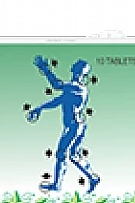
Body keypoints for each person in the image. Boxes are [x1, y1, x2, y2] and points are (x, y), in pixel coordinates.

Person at [28, 56, 100, 194]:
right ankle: (92, 178)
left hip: (74, 126)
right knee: (73, 155)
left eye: (79, 72)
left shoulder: (77, 88)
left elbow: (56, 85)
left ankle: (57, 185)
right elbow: (57, 101)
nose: (77, 74)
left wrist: (45, 69)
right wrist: (40, 108)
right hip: (77, 126)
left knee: (62, 153)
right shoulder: (73, 89)